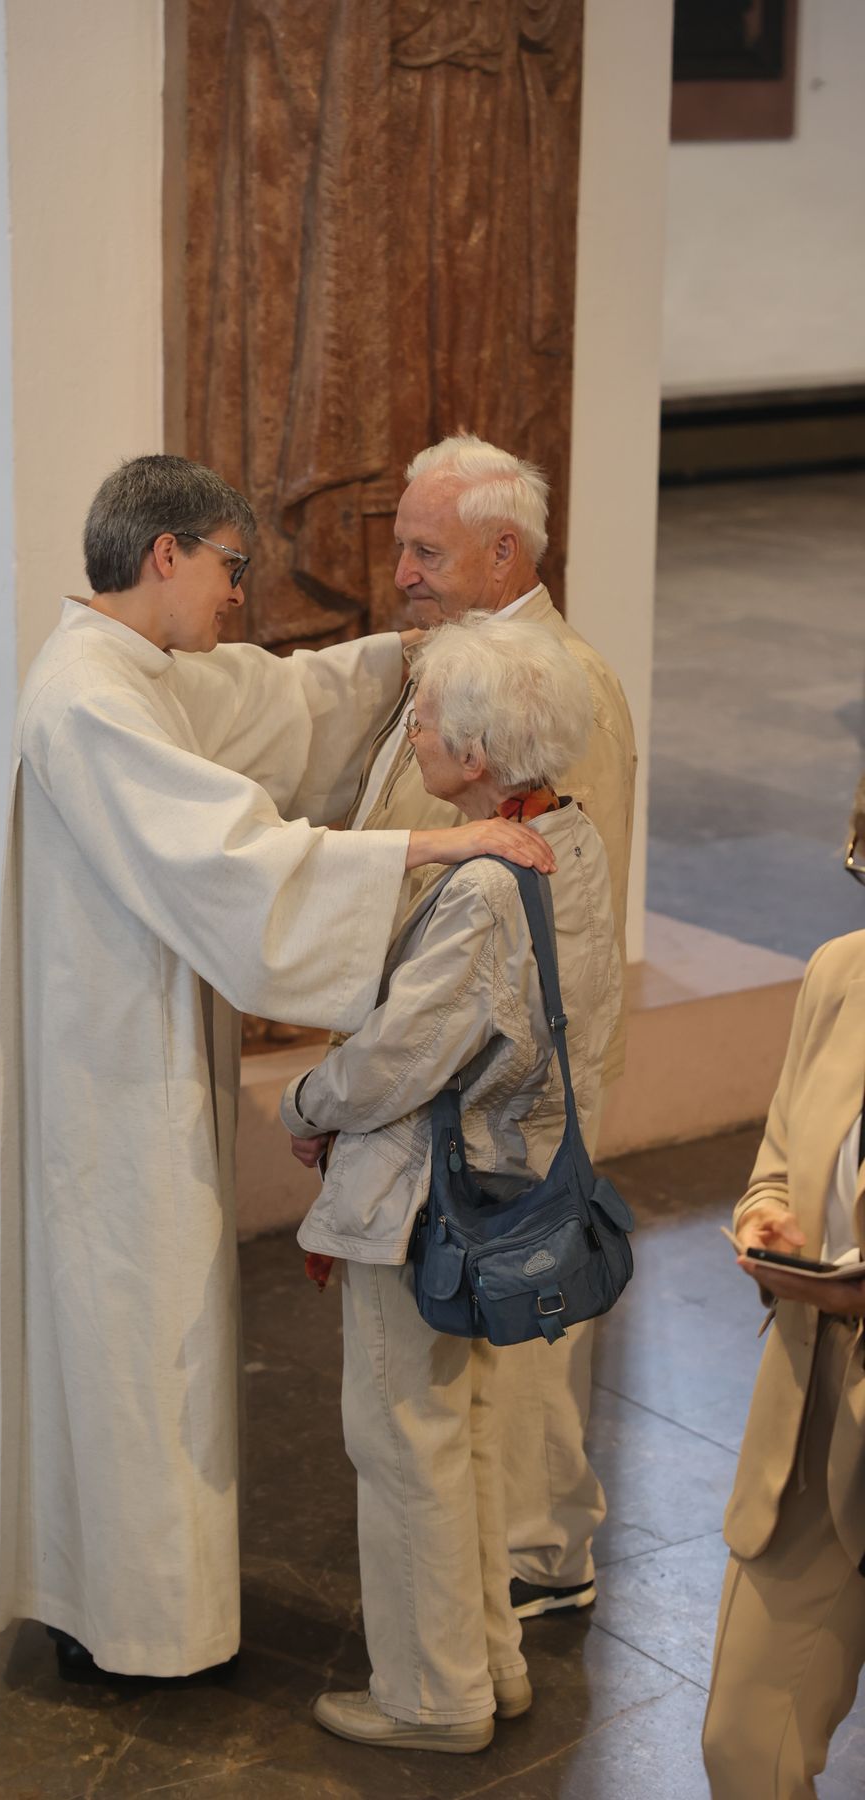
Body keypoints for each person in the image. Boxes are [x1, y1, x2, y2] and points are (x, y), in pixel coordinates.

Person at [0, 455, 555, 1681]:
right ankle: (140, 1626)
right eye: (232, 569)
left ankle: (122, 1600)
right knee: (138, 1340)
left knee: (143, 1339)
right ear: (166, 556)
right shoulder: (88, 699)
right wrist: (430, 841)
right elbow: (228, 855)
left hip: (132, 1045)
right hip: (110, 1083)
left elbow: (273, 706)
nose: (241, 596)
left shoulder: (131, 673)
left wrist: (411, 658)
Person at [282, 612, 622, 1751]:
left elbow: (397, 1058)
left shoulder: (482, 886)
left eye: (423, 719)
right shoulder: (569, 839)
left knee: (404, 1440)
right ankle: (491, 1666)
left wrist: (304, 1103)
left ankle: (431, 1698)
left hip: (424, 1199)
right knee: (464, 1435)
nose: (413, 734)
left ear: (473, 754)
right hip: (499, 1178)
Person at [339, 430, 637, 1620]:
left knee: (525, 1307)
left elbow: (553, 900)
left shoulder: (560, 682)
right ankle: (508, 1543)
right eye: (403, 545)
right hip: (457, 1041)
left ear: (502, 549)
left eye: (426, 548)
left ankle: (535, 1552)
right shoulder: (460, 658)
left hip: (511, 1067)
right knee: (484, 1318)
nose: (402, 568)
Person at [702, 775, 865, 1800]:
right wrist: (767, 1219)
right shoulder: (840, 974)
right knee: (744, 1744)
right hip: (811, 1438)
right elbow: (778, 1154)